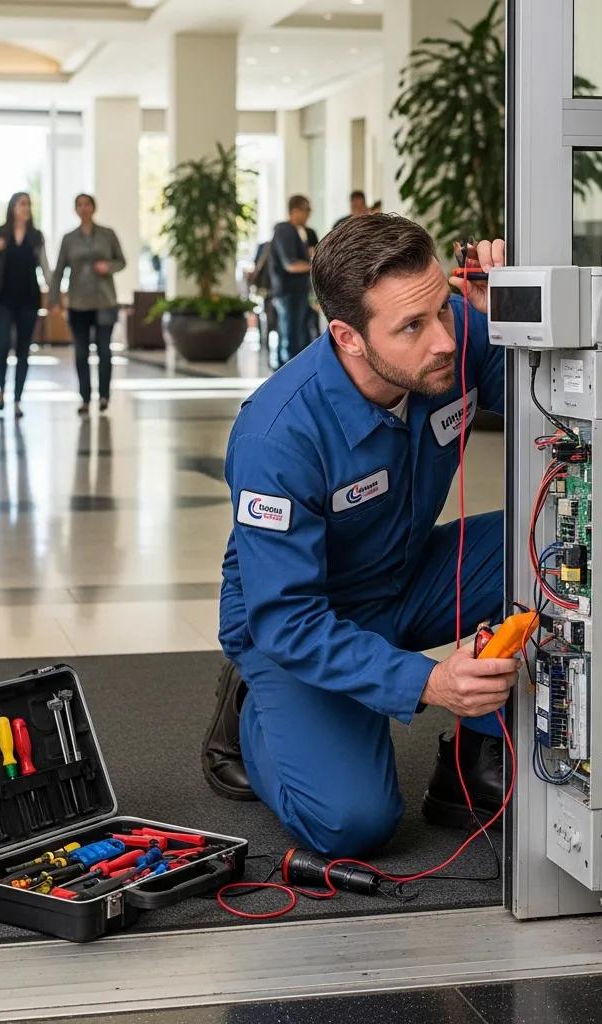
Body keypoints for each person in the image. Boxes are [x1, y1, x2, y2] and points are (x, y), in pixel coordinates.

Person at [203, 214, 513, 859]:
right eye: (411, 327)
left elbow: (563, 409)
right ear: (346, 335)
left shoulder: (458, 330)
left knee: (544, 544)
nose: (445, 341)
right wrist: (428, 683)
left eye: (443, 309)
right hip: (302, 619)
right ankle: (254, 715)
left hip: (406, 576)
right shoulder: (276, 436)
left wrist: (516, 321)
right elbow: (287, 618)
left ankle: (477, 757)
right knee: (353, 824)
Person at [50, 193, 125, 415]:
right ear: (76, 209)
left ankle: (103, 395)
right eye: (79, 205)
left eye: (87, 204)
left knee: (104, 350)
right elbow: (59, 271)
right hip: (78, 302)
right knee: (81, 351)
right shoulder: (69, 238)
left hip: (104, 300)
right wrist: (54, 299)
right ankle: (84, 397)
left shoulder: (107, 234)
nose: (84, 209)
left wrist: (108, 267)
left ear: (94, 207)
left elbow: (121, 261)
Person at [0, 192, 51, 418]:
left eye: (28, 204)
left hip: (28, 300)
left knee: (23, 351)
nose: (26, 208)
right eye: (22, 203)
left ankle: (18, 398)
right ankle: (1, 388)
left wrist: (56, 294)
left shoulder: (37, 236)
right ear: (12, 207)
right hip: (1, 300)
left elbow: (45, 267)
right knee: (2, 347)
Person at [268, 195, 318, 366]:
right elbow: (290, 264)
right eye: (307, 210)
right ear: (295, 210)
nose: (308, 215)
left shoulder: (303, 232)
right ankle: (287, 377)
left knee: (299, 335)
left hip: (299, 292)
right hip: (287, 292)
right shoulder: (284, 230)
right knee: (290, 336)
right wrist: (314, 266)